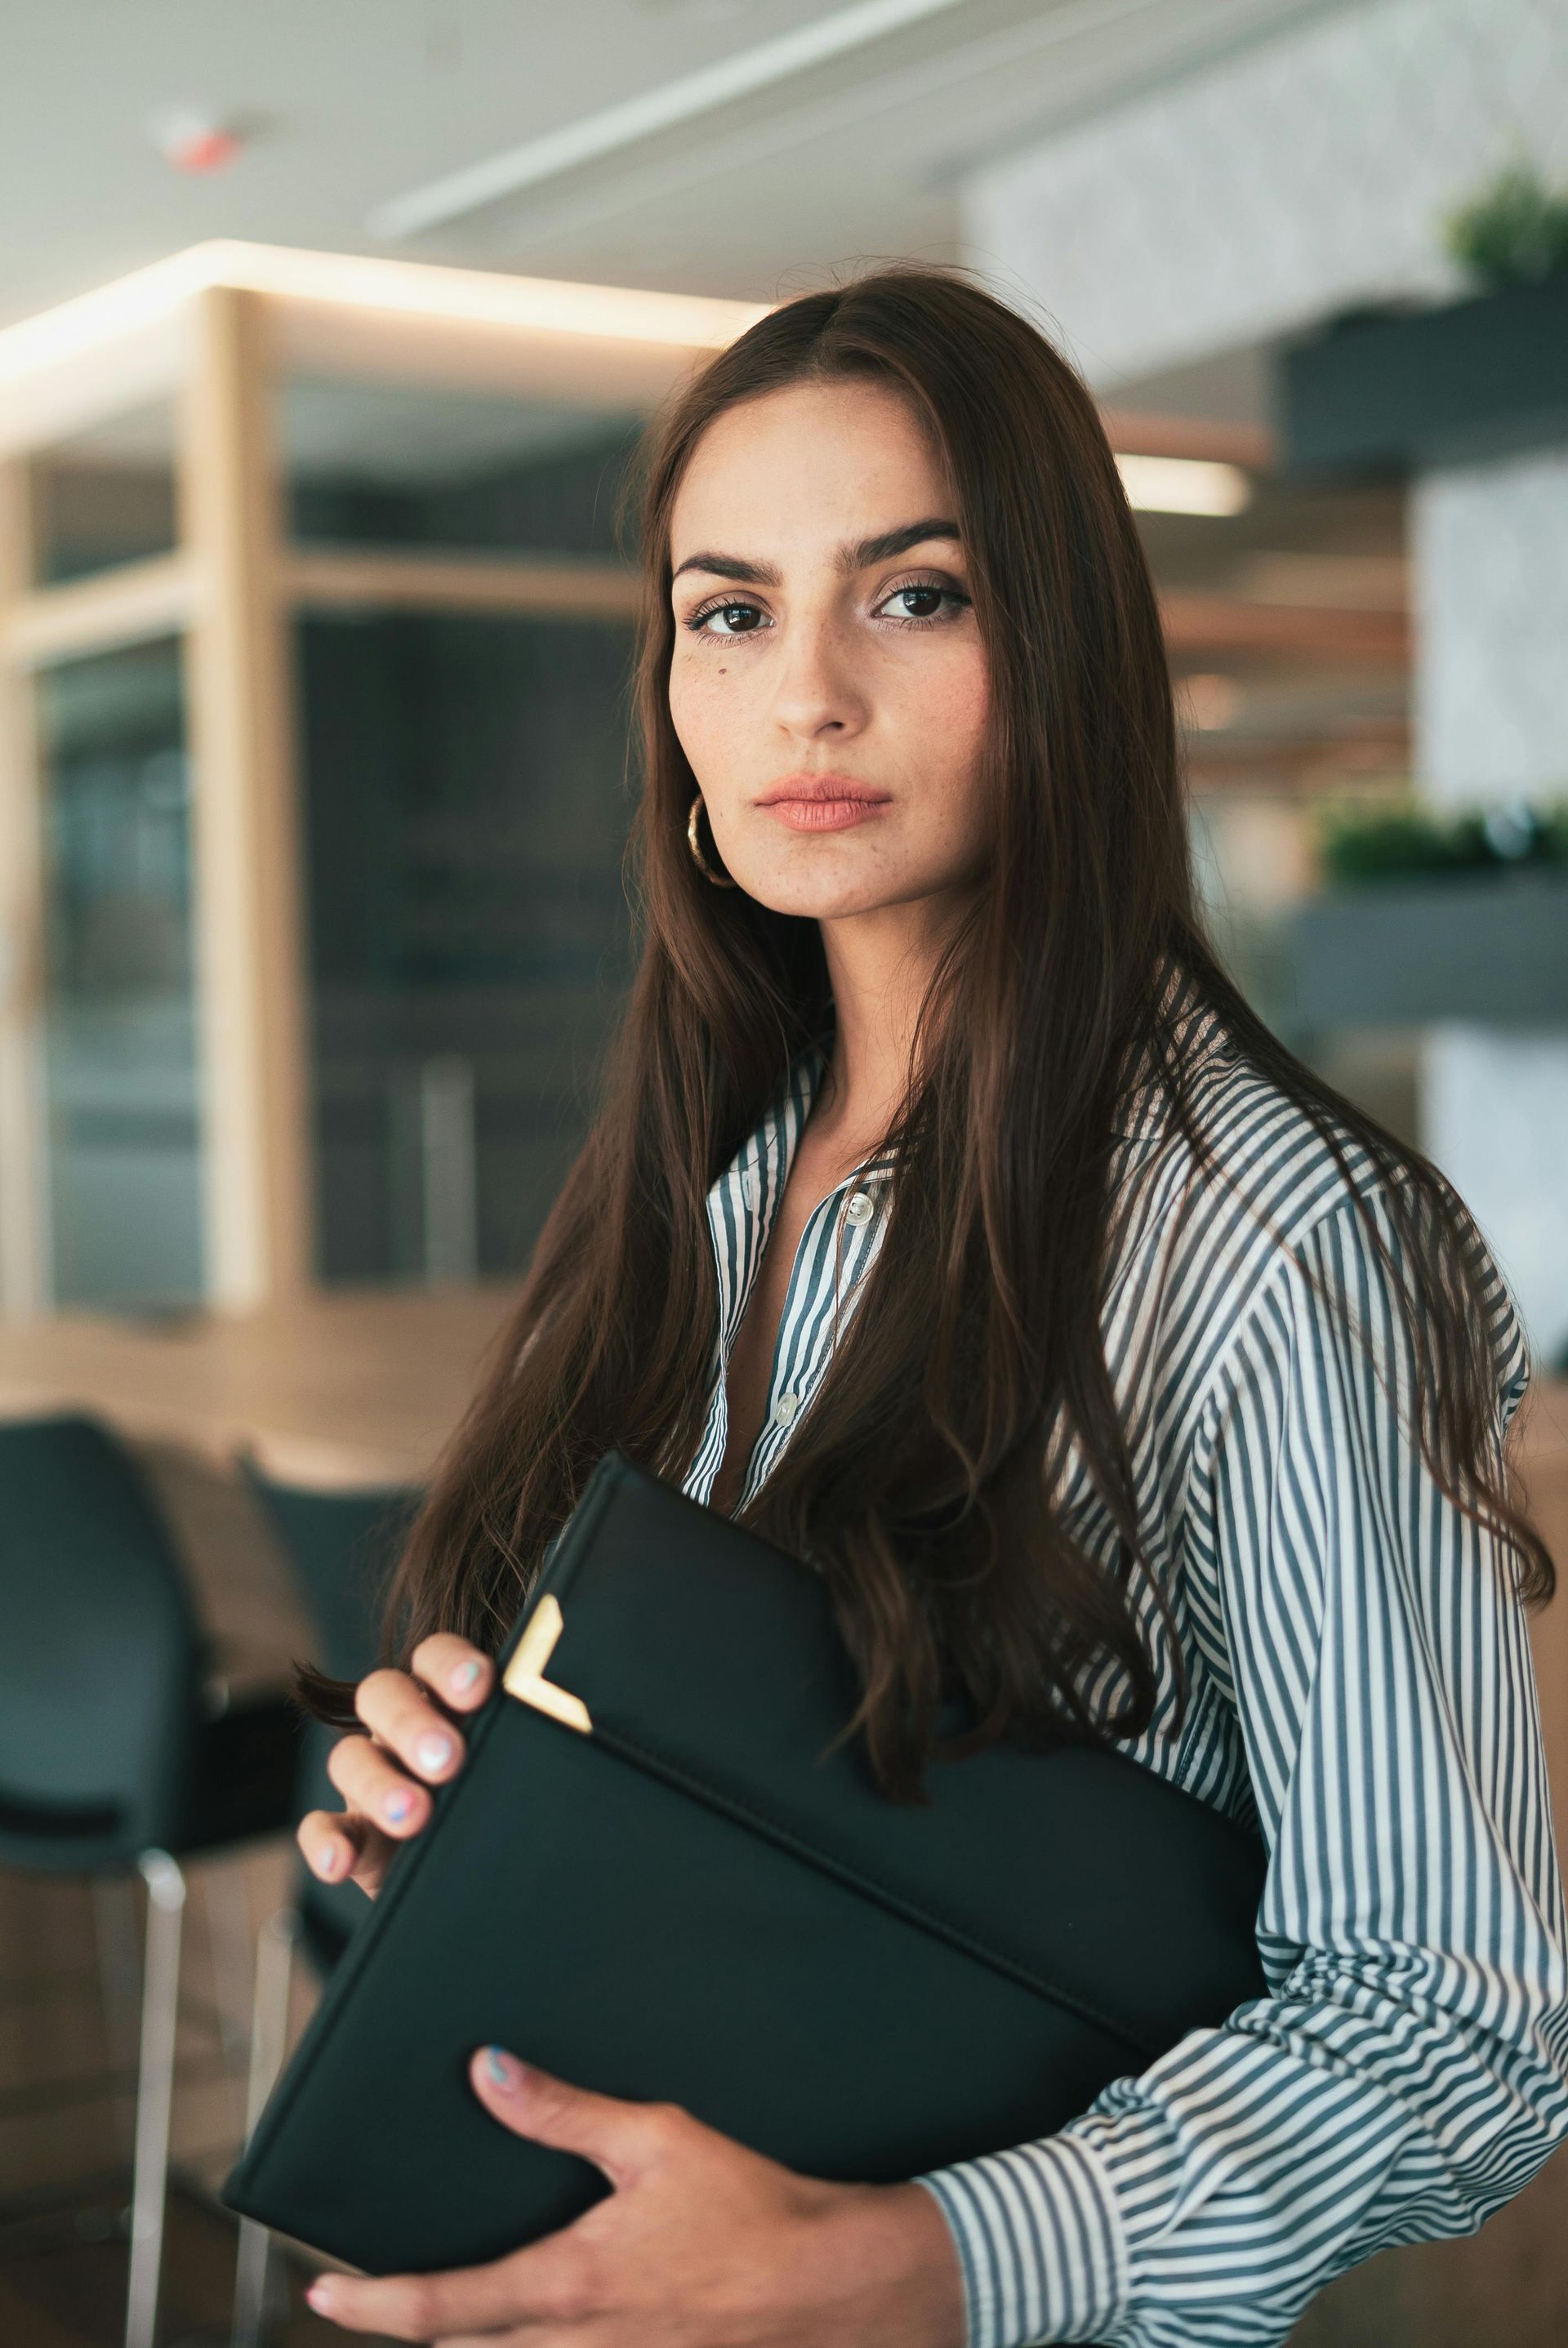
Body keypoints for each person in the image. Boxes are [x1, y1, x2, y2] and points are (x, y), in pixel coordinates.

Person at [292, 269, 1568, 2348]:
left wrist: (921, 2266)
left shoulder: (1273, 1240)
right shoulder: (695, 1189)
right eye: (730, 611)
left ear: (1062, 643)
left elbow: (1452, 2031)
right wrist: (441, 1815)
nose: (806, 694)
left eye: (914, 595)